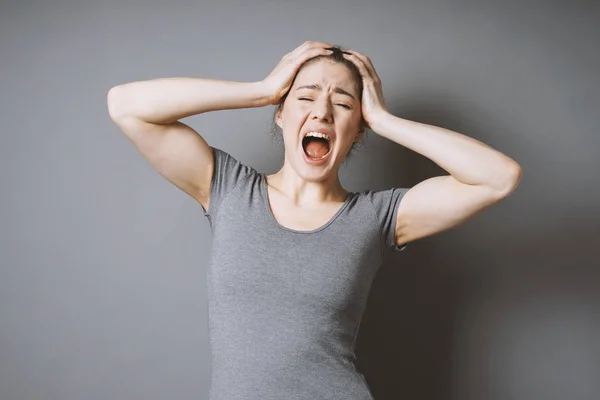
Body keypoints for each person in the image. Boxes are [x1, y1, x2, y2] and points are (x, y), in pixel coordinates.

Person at [107, 41, 521, 399]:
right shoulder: (229, 189)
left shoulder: (376, 218)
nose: (322, 111)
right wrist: (262, 90)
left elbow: (498, 177)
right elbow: (125, 106)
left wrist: (384, 120)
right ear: (280, 114)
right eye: (305, 97)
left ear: (357, 129)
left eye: (342, 103)